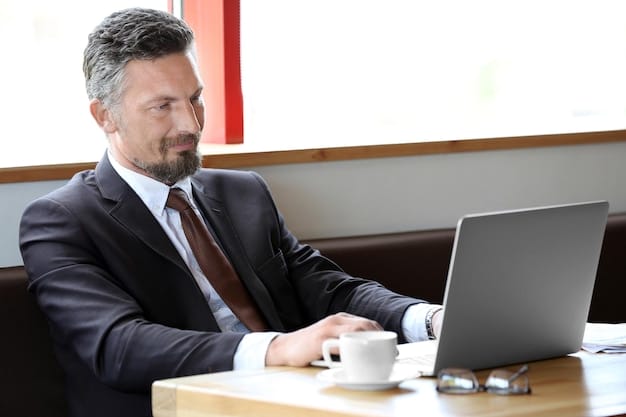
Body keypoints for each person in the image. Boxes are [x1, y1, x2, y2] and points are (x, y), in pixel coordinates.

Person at [19, 7, 443, 417]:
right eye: (162, 106)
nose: (190, 124)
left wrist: (429, 320)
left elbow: (327, 288)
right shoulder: (61, 221)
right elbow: (119, 346)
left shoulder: (244, 192)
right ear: (104, 116)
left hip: (298, 401)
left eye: (195, 98)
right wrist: (278, 349)